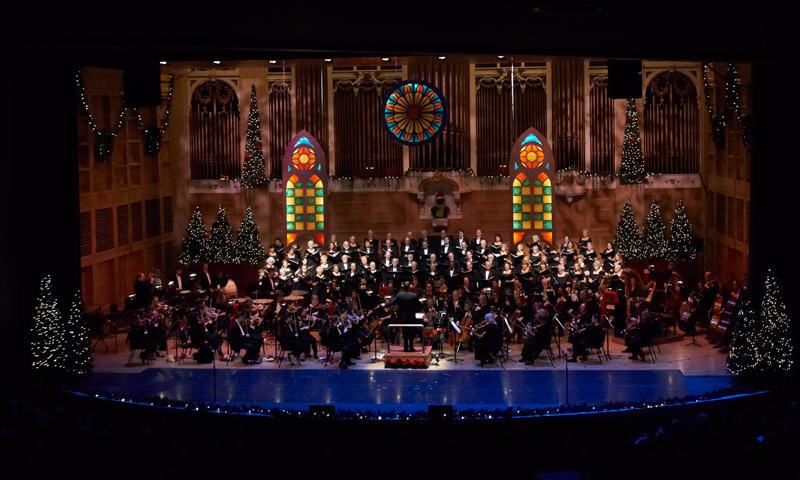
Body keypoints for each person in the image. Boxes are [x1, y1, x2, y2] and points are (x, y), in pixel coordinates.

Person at [395, 282, 420, 352]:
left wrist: (386, 305)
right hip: (411, 316)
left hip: (402, 317)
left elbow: (393, 302)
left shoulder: (399, 295)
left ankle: (405, 348)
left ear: (403, 287)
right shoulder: (414, 295)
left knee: (404, 332)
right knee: (411, 332)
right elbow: (418, 305)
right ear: (409, 287)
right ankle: (411, 347)